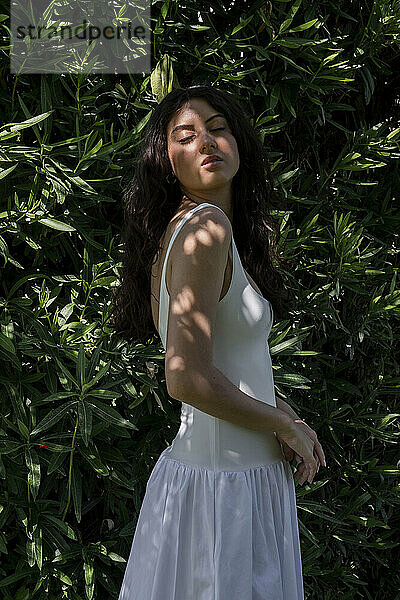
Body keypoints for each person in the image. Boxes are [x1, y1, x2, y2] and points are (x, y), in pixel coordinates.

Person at [114, 85, 326, 600]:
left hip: (229, 483)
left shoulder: (199, 230)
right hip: (224, 495)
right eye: (185, 136)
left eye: (218, 127)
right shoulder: (204, 229)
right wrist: (281, 424)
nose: (206, 141)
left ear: (239, 143)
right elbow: (185, 376)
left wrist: (286, 414)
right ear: (166, 162)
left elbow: (227, 365)